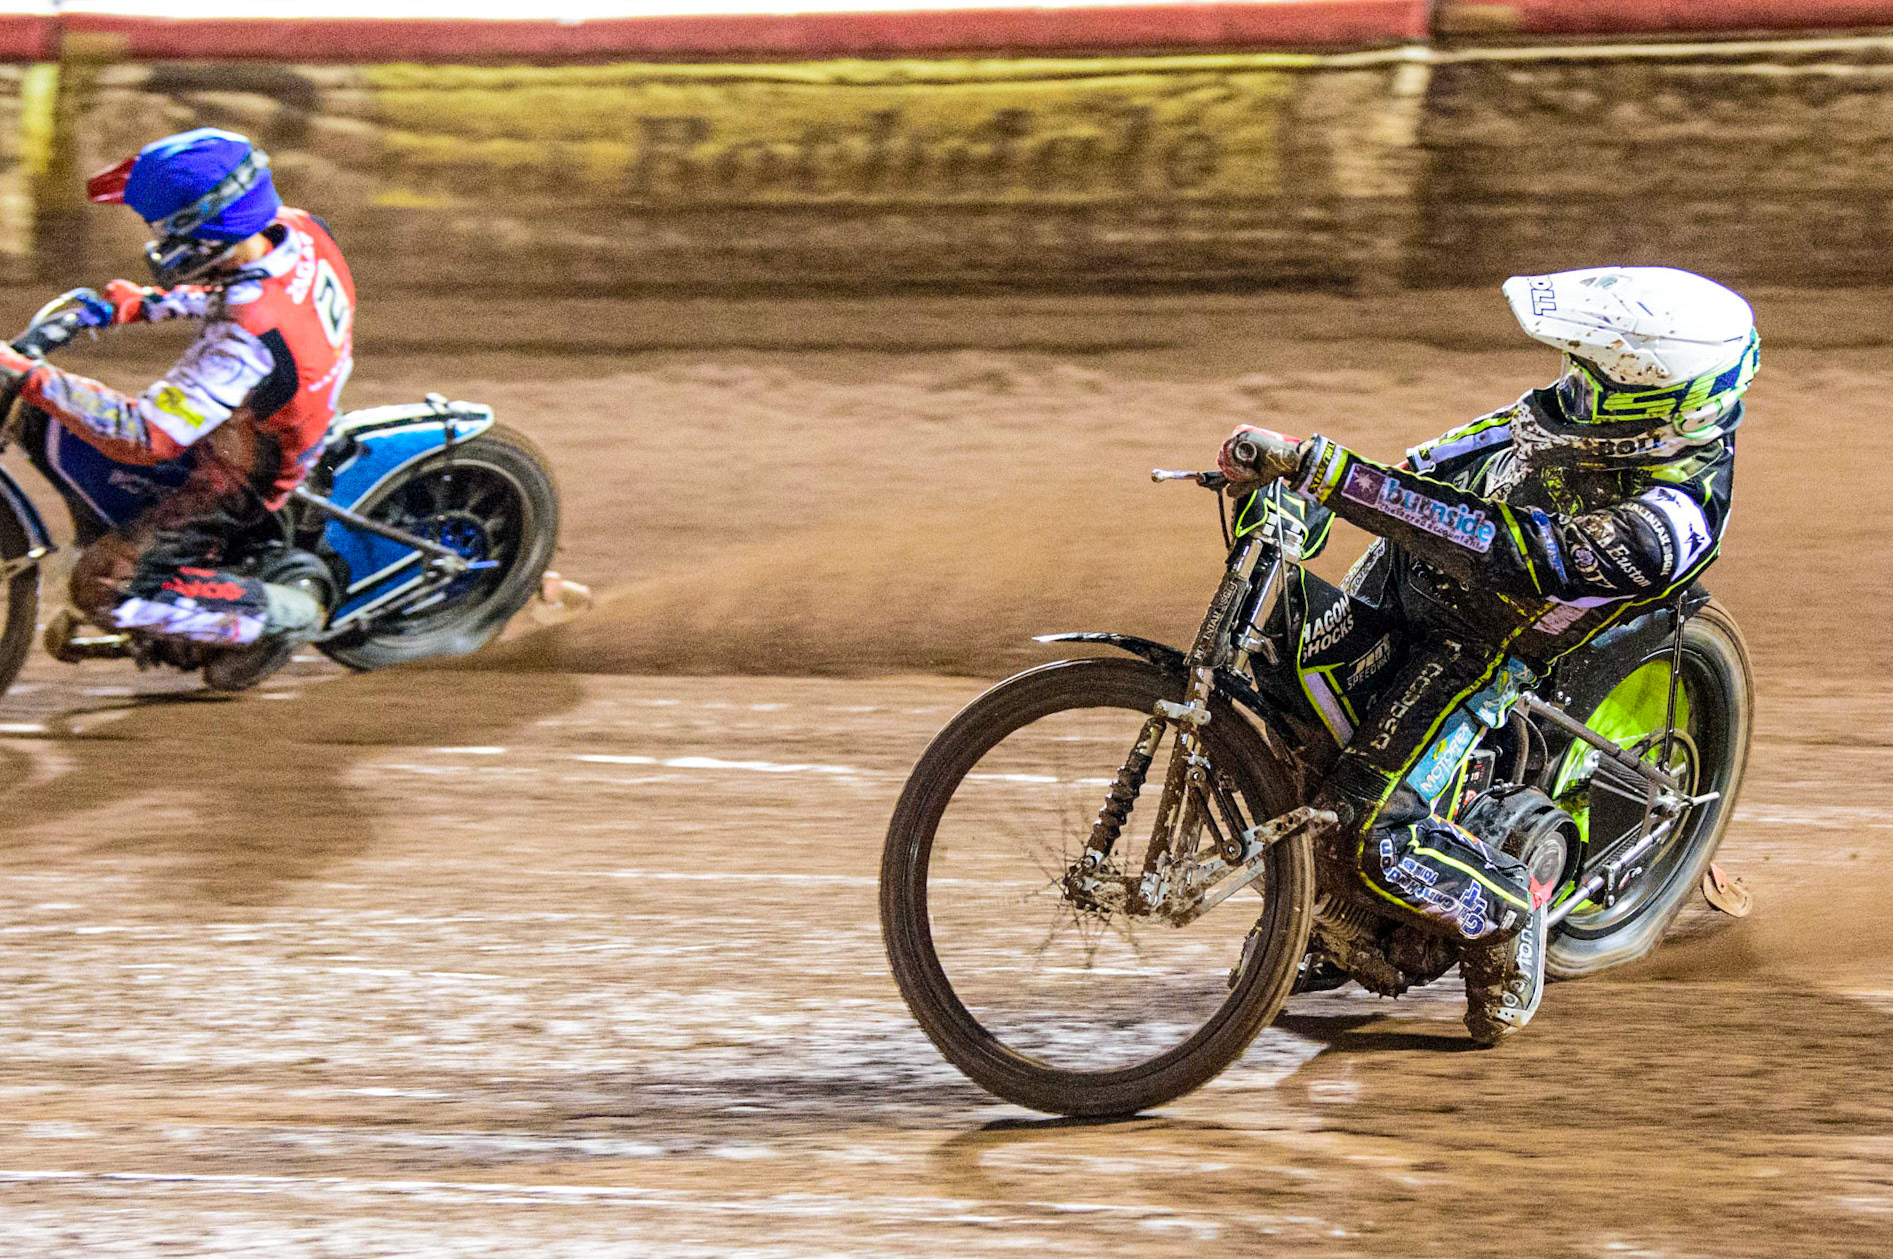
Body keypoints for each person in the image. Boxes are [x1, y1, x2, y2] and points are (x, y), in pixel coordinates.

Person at [1217, 266, 1755, 1044]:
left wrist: (1331, 473)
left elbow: (1507, 550)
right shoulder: (1558, 418)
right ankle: (1329, 911)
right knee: (1279, 671)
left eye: (1597, 381)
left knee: (1371, 828)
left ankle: (1505, 909)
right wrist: (1291, 502)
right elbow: (1423, 471)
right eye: (1580, 369)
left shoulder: (1671, 516)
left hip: (1488, 645)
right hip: (1411, 585)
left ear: (1659, 404)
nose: (1573, 389)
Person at [0, 127, 355, 688]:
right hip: (273, 410)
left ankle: (287, 613)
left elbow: (147, 435)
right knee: (62, 413)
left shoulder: (246, 338)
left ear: (211, 222)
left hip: (238, 476)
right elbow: (244, 287)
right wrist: (141, 304)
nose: (158, 239)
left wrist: (32, 377)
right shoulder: (297, 229)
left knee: (102, 588)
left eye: (167, 226)